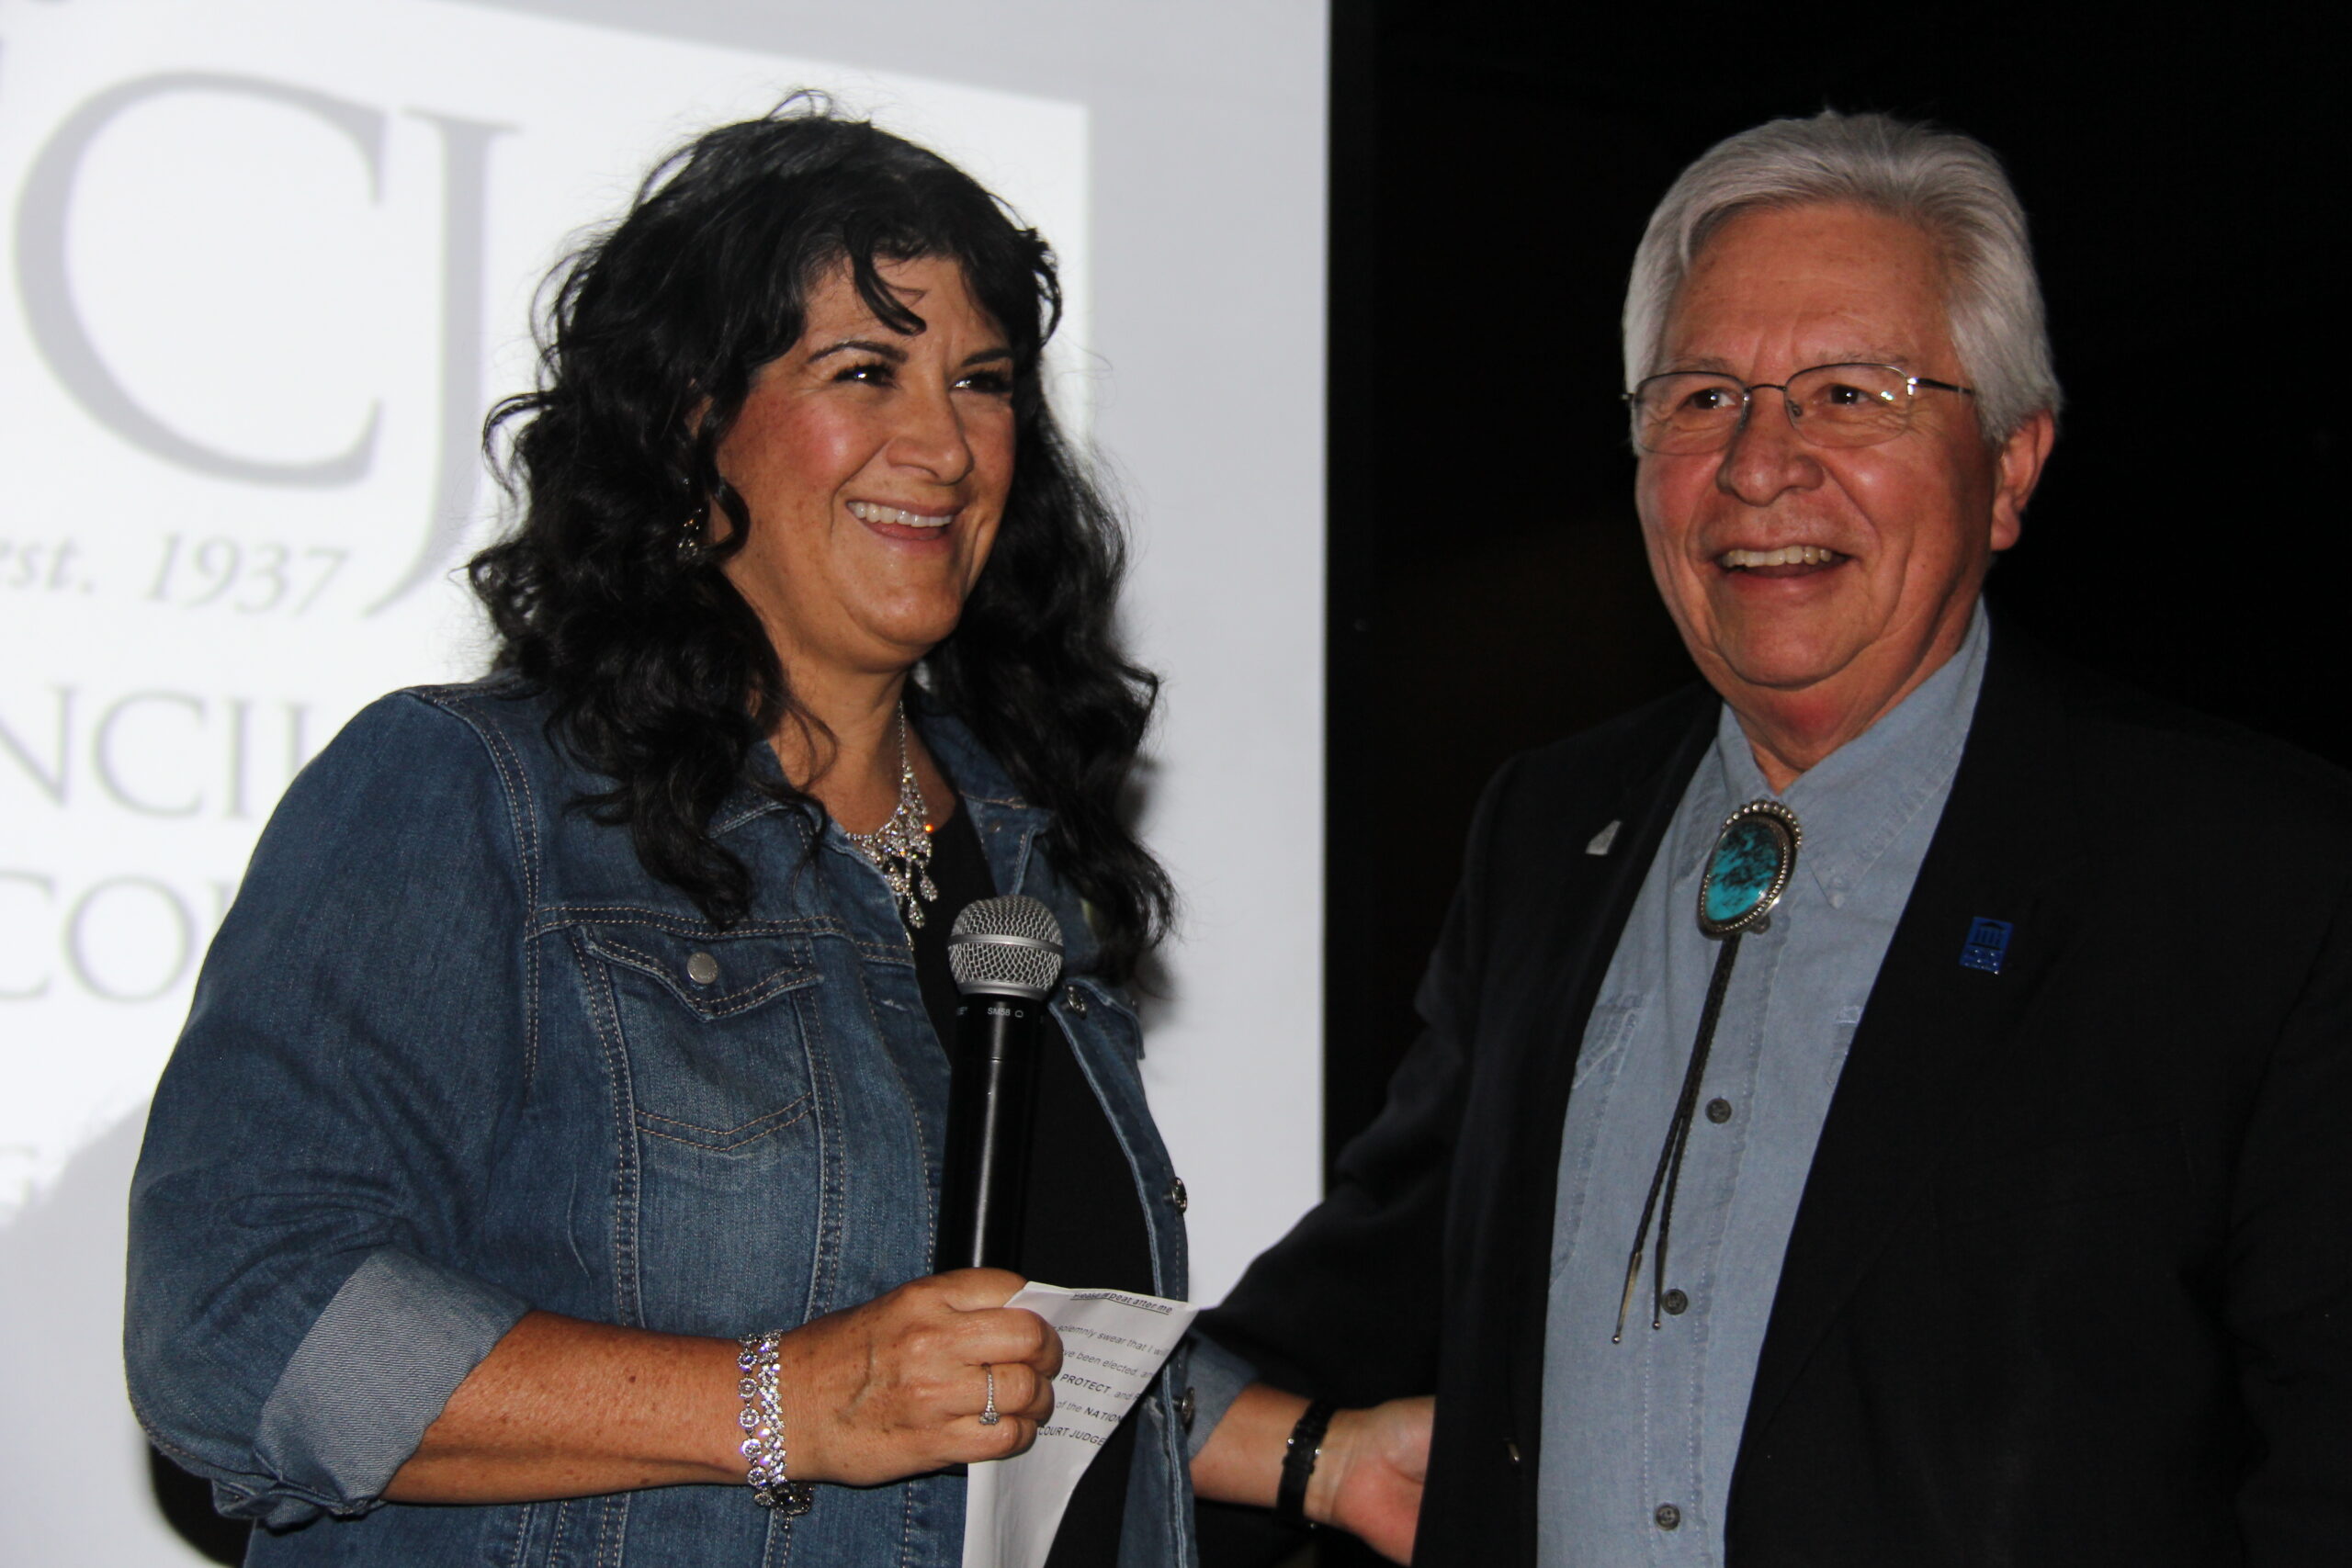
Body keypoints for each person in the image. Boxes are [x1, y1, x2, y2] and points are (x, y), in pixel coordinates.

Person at [1186, 110, 2352, 1564]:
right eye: (1702, 398)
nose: (1758, 466)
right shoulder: (1549, 834)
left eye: (1851, 394)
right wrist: (1018, 1392)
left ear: (2009, 467)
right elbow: (1361, 1297)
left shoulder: (2254, 874)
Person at [129, 100, 1196, 1566]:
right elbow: (237, 1318)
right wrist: (779, 1403)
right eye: (864, 371)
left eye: (983, 382)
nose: (945, 446)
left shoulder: (1030, 864)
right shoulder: (476, 795)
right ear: (696, 423)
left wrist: (1324, 1455)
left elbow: (1005, 1361)